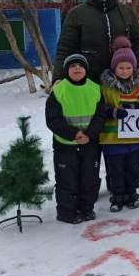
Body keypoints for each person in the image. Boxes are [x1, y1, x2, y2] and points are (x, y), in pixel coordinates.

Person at [53, 0, 139, 83]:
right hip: (88, 81)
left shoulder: (126, 12)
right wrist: (58, 77)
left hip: (122, 80)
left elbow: (138, 43)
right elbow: (65, 47)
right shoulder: (77, 13)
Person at [45, 53, 106, 224]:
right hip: (65, 145)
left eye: (80, 65)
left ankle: (87, 209)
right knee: (67, 180)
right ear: (66, 71)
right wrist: (73, 134)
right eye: (72, 66)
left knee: (89, 178)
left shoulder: (95, 89)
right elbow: (53, 119)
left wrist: (89, 134)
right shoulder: (59, 90)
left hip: (90, 144)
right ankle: (67, 212)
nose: (77, 68)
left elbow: (100, 116)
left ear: (86, 69)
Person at [99, 37, 139, 212]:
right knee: (115, 170)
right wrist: (112, 112)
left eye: (128, 68)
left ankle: (132, 194)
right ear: (114, 68)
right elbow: (99, 106)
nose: (124, 71)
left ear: (134, 68)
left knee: (133, 169)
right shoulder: (106, 86)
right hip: (111, 138)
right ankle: (117, 196)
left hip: (134, 138)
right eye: (120, 68)